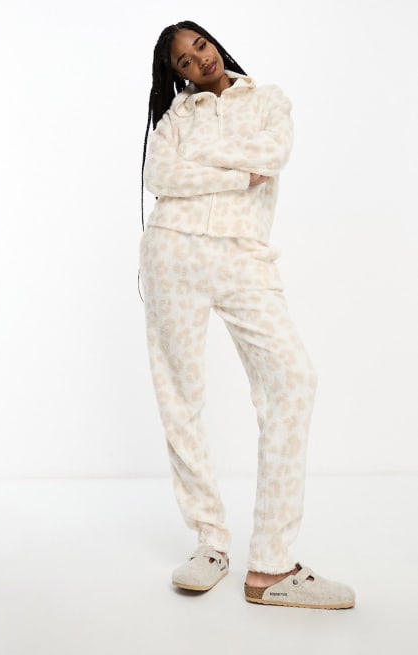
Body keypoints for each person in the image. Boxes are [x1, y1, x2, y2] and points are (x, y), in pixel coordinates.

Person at [138, 20, 355, 610]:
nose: (198, 61)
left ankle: (271, 564)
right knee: (180, 396)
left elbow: (272, 155)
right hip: (172, 252)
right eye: (183, 62)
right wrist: (237, 174)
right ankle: (209, 541)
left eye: (200, 46)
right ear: (176, 74)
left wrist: (200, 165)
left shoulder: (268, 100)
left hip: (243, 256)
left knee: (293, 381)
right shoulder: (175, 118)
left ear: (214, 43)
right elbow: (158, 177)